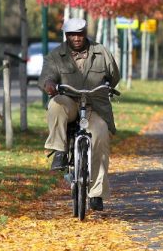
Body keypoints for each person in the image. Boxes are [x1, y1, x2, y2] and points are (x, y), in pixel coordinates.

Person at [38, 17, 120, 212]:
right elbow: (46, 77)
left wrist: (106, 86)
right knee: (56, 104)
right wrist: (49, 85)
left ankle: (96, 194)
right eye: (72, 34)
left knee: (100, 136)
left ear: (85, 33)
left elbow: (114, 76)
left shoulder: (101, 52)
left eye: (80, 33)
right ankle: (59, 150)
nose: (76, 38)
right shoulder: (55, 56)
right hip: (70, 101)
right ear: (66, 36)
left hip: (95, 105)